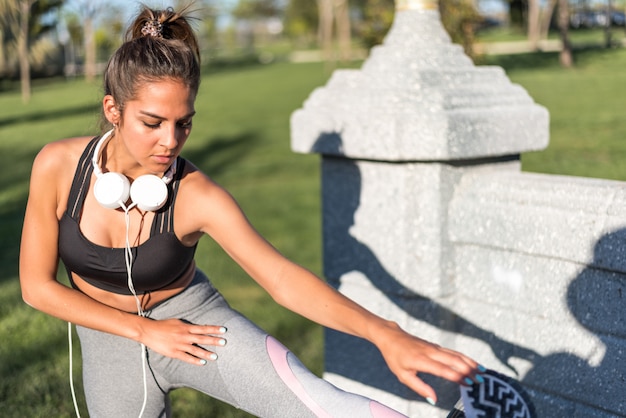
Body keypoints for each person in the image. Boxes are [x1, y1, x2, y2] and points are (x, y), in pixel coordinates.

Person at [19, 5, 484, 417]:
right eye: (152, 122)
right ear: (113, 110)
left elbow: (280, 278)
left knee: (317, 405)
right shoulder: (58, 166)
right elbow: (36, 288)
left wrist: (386, 334)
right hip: (109, 342)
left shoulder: (198, 194)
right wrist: (143, 332)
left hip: (197, 325)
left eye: (184, 124)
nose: (170, 141)